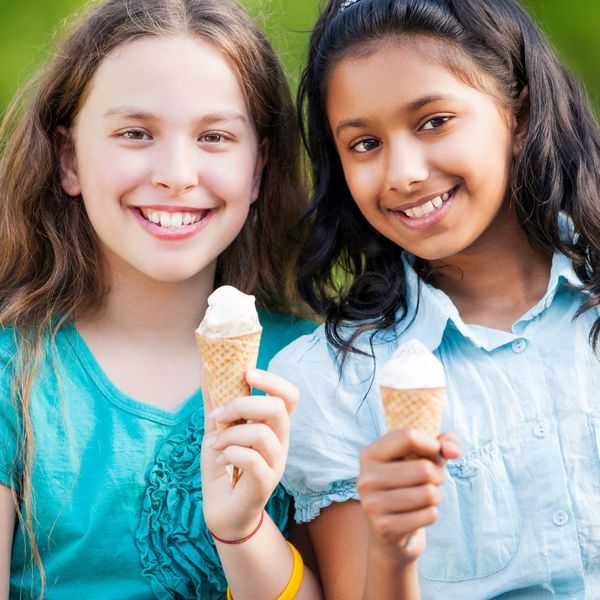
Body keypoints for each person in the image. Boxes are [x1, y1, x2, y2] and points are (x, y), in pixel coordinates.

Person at [269, 0, 600, 598]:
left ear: (518, 112)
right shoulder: (334, 381)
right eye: (365, 143)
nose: (403, 173)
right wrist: (395, 550)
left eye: (433, 121)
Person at [0, 1, 322, 598]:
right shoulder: (11, 374)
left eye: (215, 136)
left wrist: (243, 530)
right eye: (135, 133)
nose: (177, 172)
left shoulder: (313, 368)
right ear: (68, 158)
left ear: (258, 168)